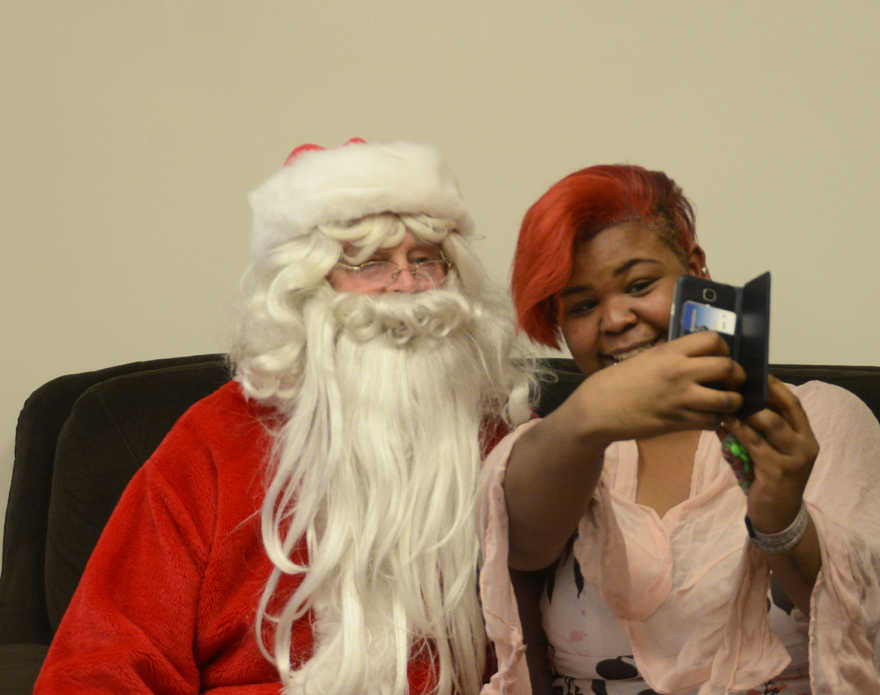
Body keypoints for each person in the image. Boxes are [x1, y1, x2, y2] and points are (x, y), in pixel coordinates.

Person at [34, 139, 535, 694]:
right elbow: (103, 660)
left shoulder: (499, 433)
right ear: (307, 288)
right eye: (371, 263)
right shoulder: (215, 439)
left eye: (425, 261)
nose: (407, 286)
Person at [476, 164, 880, 694]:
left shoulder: (822, 420)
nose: (616, 318)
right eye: (582, 306)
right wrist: (589, 417)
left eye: (640, 284)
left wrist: (782, 520)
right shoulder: (557, 448)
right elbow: (523, 548)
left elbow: (868, 627)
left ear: (696, 272)